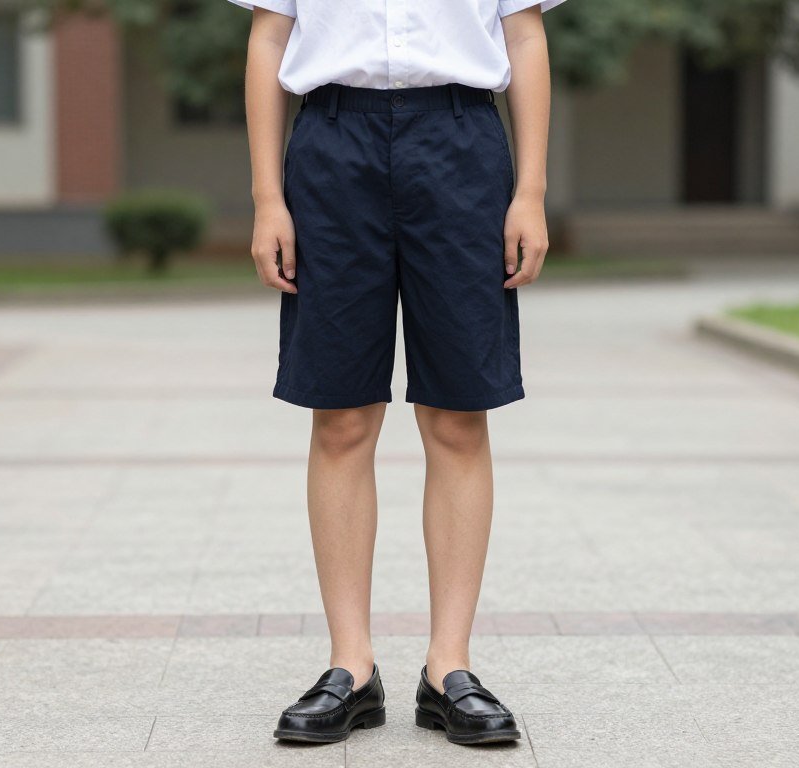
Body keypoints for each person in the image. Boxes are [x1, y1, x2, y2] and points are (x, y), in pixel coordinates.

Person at [226, 0, 560, 746]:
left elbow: (526, 32)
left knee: (457, 414)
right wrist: (267, 198)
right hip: (331, 144)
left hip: (462, 141)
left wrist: (530, 191)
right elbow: (267, 37)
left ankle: (450, 669)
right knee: (339, 417)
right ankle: (351, 668)